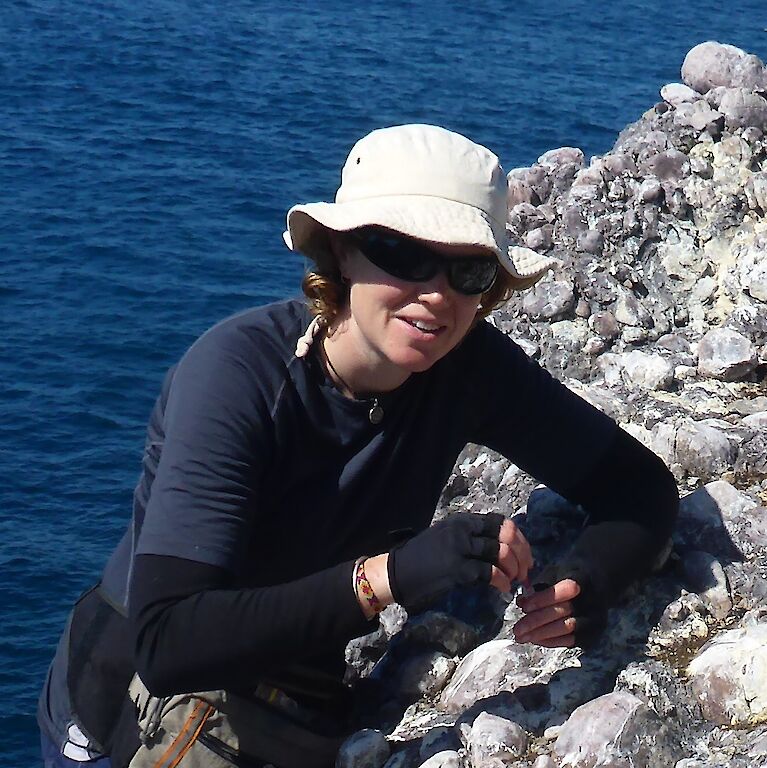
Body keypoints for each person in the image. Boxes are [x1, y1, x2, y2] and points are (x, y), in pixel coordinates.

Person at [37, 124, 680, 767]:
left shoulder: (467, 368)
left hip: (296, 704)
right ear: (343, 255)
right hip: (137, 704)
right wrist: (391, 576)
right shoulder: (238, 376)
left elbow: (637, 485)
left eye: (469, 271)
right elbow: (169, 640)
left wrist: (588, 579)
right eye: (403, 255)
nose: (437, 294)